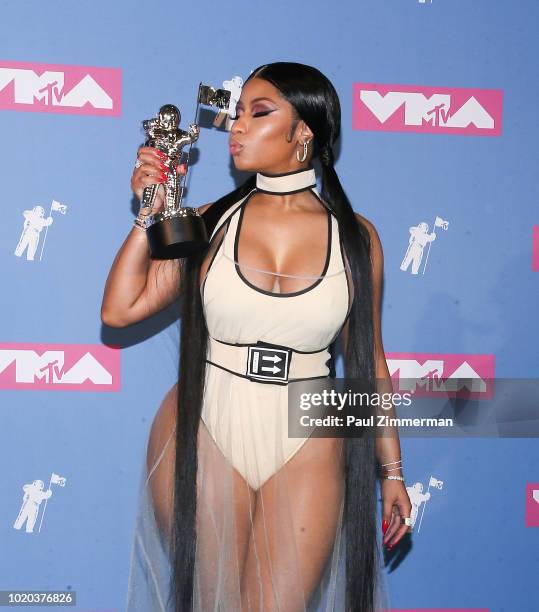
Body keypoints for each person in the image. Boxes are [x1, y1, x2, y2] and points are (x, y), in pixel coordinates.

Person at [101, 62, 412, 612]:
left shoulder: (357, 237)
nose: (237, 127)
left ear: (304, 134)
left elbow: (371, 362)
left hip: (310, 426)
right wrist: (149, 215)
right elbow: (121, 310)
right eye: (236, 113)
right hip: (208, 419)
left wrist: (392, 471)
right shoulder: (207, 221)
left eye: (259, 112)